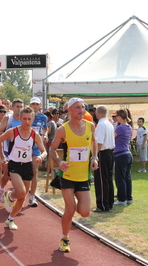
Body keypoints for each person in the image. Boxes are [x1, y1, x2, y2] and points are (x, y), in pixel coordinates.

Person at [49, 97, 98, 253]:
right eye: (77, 107)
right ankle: (65, 238)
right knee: (70, 209)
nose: (81, 110)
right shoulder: (63, 129)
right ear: (69, 110)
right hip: (67, 175)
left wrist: (94, 157)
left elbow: (94, 142)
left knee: (84, 212)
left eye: (83, 107)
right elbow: (51, 149)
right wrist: (59, 161)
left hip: (83, 176)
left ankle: (72, 208)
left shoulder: (90, 126)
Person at [0, 106, 47, 230]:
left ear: (33, 119)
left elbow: (44, 151)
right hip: (14, 164)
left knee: (22, 198)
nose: (27, 122)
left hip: (27, 165)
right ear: (20, 118)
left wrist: (41, 157)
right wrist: (3, 157)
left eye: (29, 119)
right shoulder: (13, 132)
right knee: (21, 191)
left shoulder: (35, 135)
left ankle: (10, 219)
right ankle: (10, 195)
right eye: (24, 119)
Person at [0, 99, 24, 202]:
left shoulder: (24, 119)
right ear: (12, 108)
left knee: (20, 174)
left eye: (21, 107)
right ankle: (2, 189)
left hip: (21, 151)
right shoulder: (8, 118)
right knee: (7, 174)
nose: (19, 109)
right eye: (17, 106)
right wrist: (9, 135)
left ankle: (14, 195)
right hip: (9, 151)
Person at [93, 105, 115, 212]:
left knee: (101, 180)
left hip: (103, 153)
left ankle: (102, 204)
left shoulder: (101, 125)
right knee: (108, 179)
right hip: (110, 152)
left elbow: (99, 142)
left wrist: (94, 156)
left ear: (98, 113)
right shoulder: (109, 124)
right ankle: (109, 202)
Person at [28, 97, 48, 207]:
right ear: (30, 105)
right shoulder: (27, 116)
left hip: (36, 147)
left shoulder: (43, 117)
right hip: (25, 147)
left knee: (35, 171)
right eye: (33, 104)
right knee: (24, 172)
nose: (35, 106)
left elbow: (45, 128)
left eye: (37, 104)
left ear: (39, 106)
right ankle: (22, 193)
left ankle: (32, 196)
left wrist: (45, 135)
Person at [114, 108, 133, 206]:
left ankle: (122, 199)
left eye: (116, 116)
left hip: (120, 154)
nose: (115, 118)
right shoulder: (128, 127)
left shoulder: (119, 128)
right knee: (127, 178)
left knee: (120, 178)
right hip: (127, 154)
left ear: (120, 116)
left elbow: (112, 136)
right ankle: (128, 197)